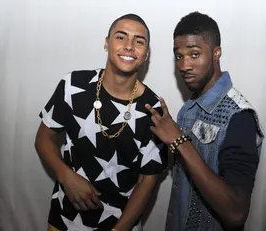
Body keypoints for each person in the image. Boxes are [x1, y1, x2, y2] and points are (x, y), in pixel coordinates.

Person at [35, 14, 167, 231]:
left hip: (122, 223)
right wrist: (65, 175)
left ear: (146, 55)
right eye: (121, 37)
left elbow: (147, 182)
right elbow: (43, 137)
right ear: (107, 43)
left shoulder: (153, 110)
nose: (129, 46)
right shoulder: (73, 85)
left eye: (139, 41)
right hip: (65, 216)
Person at [145, 12, 264, 231]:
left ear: (216, 53)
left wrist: (179, 141)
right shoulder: (189, 108)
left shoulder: (239, 116)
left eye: (194, 54)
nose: (184, 65)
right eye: (179, 56)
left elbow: (236, 212)